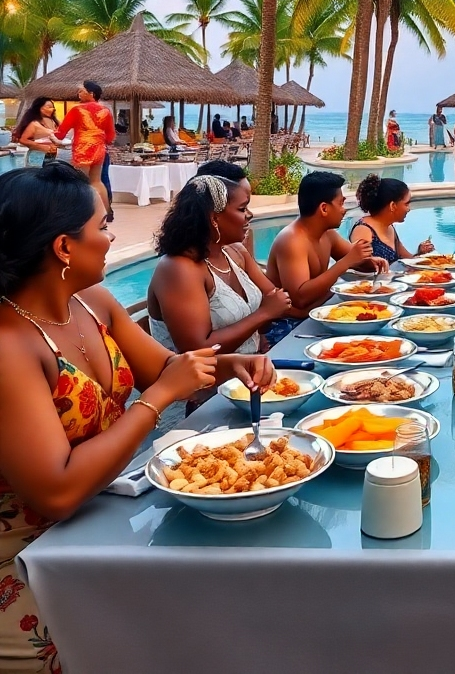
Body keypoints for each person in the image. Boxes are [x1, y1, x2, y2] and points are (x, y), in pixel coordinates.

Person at [0, 163, 275, 671]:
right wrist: (157, 401)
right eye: (103, 225)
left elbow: (166, 367)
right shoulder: (9, 346)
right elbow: (55, 494)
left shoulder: (94, 303)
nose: (110, 237)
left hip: (104, 519)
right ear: (64, 247)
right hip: (33, 561)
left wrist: (233, 364)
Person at [147, 174, 291, 407]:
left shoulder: (233, 251)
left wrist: (268, 313)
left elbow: (277, 302)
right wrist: (264, 314)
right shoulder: (179, 268)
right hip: (200, 401)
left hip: (246, 386)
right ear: (214, 218)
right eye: (242, 209)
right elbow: (199, 350)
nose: (249, 215)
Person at [266, 172, 385, 340]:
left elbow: (358, 262)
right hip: (288, 327)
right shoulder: (292, 240)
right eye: (341, 203)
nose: (344, 210)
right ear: (324, 208)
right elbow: (300, 298)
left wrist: (370, 261)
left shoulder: (327, 234)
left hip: (318, 314)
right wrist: (346, 262)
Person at [55, 81, 115, 222]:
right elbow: (111, 136)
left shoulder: (77, 110)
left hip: (83, 149)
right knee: (97, 181)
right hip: (99, 148)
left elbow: (61, 133)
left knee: (81, 182)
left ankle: (82, 214)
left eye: (81, 91)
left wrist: (50, 135)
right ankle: (106, 213)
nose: (79, 93)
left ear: (91, 93)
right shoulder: (105, 111)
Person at [350, 175, 434, 266]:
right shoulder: (364, 229)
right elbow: (360, 265)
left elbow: (408, 260)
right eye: (406, 204)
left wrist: (421, 253)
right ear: (393, 206)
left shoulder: (389, 228)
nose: (409, 209)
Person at [14, 98, 60, 166]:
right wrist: (42, 147)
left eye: (52, 107)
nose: (52, 109)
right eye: (49, 107)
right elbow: (23, 140)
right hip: (38, 156)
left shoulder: (55, 122)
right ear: (40, 108)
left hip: (53, 156)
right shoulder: (34, 124)